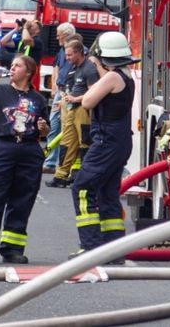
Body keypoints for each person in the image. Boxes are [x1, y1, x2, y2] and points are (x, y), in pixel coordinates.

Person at [0, 55, 50, 265]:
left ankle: (13, 248)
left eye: (17, 65)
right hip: (2, 148)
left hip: (29, 149)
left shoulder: (38, 99)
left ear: (29, 71)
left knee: (22, 200)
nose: (12, 68)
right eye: (12, 65)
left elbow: (45, 128)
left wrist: (43, 129)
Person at [70, 31, 136, 257]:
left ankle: (91, 247)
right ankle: (113, 249)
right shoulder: (125, 76)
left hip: (105, 140)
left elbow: (87, 101)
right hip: (119, 141)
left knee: (82, 188)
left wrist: (97, 66)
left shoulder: (111, 77)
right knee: (107, 192)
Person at [49, 34, 96, 188]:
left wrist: (76, 99)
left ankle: (84, 178)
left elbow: (93, 92)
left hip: (83, 110)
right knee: (67, 142)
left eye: (69, 55)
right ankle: (60, 176)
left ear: (78, 52)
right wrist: (64, 100)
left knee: (85, 144)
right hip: (72, 108)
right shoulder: (76, 68)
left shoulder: (89, 68)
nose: (67, 58)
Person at [43, 23, 77, 173]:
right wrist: (54, 87)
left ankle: (63, 164)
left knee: (67, 130)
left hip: (69, 94)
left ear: (67, 35)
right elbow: (56, 66)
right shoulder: (62, 51)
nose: (56, 37)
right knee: (54, 126)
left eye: (59, 34)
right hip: (60, 92)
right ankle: (50, 163)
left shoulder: (77, 52)